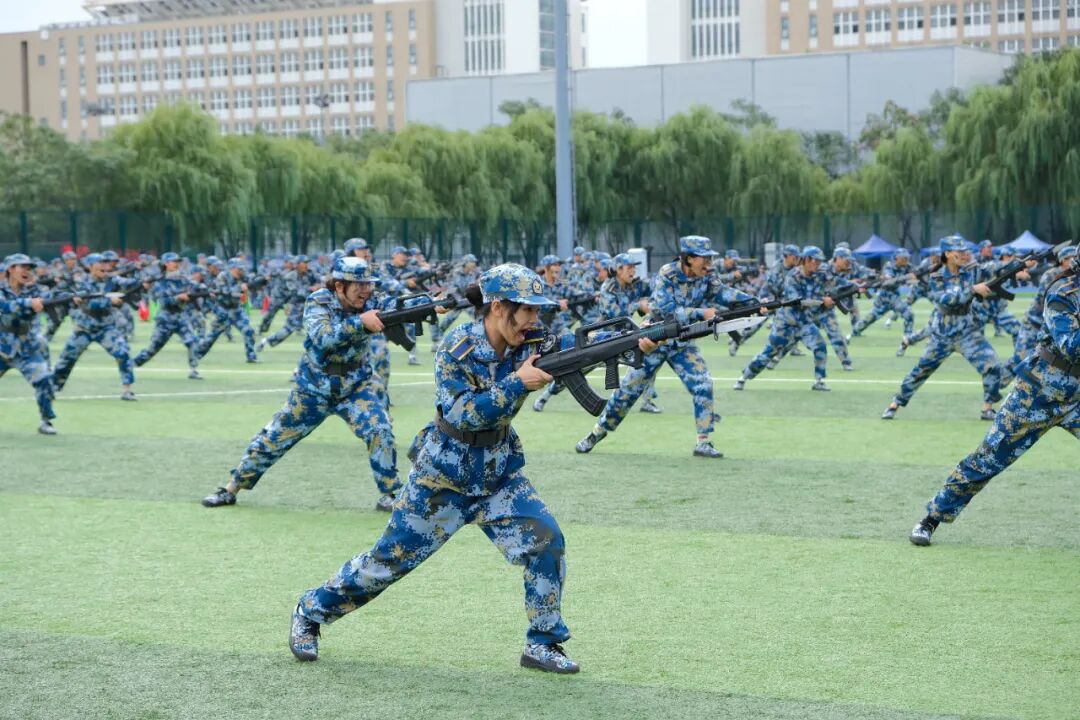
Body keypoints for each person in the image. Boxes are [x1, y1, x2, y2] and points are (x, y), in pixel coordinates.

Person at [289, 263, 619, 674]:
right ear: (498, 307)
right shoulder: (457, 348)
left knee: (546, 540)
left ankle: (543, 643)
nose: (535, 319)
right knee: (385, 564)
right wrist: (517, 383)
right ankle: (311, 610)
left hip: (498, 475)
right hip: (442, 479)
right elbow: (464, 414)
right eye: (527, 310)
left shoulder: (532, 340)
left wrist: (638, 340)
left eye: (537, 310)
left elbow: (578, 346)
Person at [908, 246, 1080, 546]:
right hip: (1036, 395)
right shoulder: (1063, 293)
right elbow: (1072, 346)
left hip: (1076, 397)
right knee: (987, 459)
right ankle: (931, 518)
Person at [202, 257, 401, 511]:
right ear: (340, 286)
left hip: (355, 387)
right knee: (275, 438)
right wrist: (360, 322)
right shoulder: (318, 301)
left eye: (369, 284)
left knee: (380, 430)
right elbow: (324, 337)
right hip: (313, 389)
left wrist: (433, 304)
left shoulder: (372, 300)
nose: (366, 290)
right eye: (359, 285)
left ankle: (390, 495)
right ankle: (231, 488)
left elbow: (398, 305)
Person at [575, 235, 758, 458]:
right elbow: (666, 310)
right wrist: (702, 313)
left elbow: (724, 293)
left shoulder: (708, 275)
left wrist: (755, 303)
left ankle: (703, 442)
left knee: (703, 384)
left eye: (710, 258)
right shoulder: (667, 274)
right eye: (704, 258)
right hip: (655, 339)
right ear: (689, 258)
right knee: (627, 392)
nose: (709, 263)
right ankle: (596, 433)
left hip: (683, 343)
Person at [882, 235, 1002, 421]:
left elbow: (993, 267)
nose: (964, 254)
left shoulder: (970, 272)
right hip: (942, 334)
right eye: (959, 251)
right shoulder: (936, 276)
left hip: (967, 332)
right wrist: (972, 290)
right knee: (921, 371)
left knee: (992, 365)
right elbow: (948, 300)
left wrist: (1019, 266)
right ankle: (896, 403)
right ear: (947, 254)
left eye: (964, 251)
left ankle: (987, 408)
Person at [52, 253, 137, 401]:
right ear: (90, 267)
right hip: (84, 327)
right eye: (100, 264)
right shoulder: (81, 282)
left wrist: (141, 282)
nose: (104, 267)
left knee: (123, 352)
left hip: (106, 327)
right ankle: (52, 389)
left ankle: (127, 390)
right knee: (67, 359)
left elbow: (131, 283)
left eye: (105, 264)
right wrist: (110, 301)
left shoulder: (112, 280)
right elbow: (90, 303)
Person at [0, 254, 58, 434]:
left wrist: (75, 298)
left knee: (43, 380)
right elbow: (5, 306)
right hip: (2, 347)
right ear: (11, 269)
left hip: (26, 348)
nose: (27, 271)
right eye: (22, 267)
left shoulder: (34, 290)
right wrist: (29, 303)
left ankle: (46, 421)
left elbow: (52, 296)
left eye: (29, 267)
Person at [133, 252, 203, 379]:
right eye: (173, 261)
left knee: (192, 342)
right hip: (166, 318)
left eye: (177, 261)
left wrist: (207, 291)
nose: (177, 264)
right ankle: (133, 364)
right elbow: (164, 302)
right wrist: (178, 298)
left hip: (181, 317)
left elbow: (197, 288)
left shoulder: (183, 279)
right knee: (153, 348)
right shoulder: (159, 282)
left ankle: (194, 370)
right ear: (166, 264)